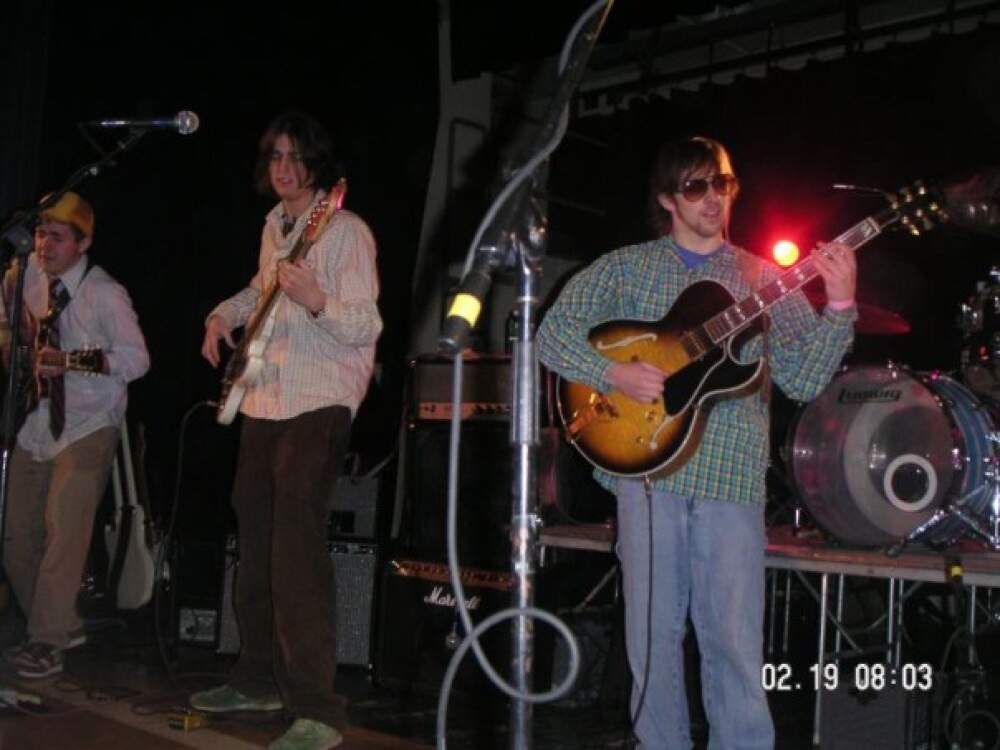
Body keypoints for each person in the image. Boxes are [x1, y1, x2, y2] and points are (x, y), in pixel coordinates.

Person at [536, 136, 857, 749]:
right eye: (696, 186)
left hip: (731, 475)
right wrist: (614, 373)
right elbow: (553, 333)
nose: (713, 197)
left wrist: (839, 305)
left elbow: (803, 379)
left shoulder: (763, 278)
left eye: (723, 184)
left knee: (734, 642)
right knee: (652, 641)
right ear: (667, 199)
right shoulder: (627, 268)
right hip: (647, 474)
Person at [191, 111, 382, 750]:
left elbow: (366, 324)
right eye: (275, 156)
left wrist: (316, 299)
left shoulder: (345, 232)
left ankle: (319, 709)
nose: (283, 168)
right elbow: (260, 290)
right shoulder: (275, 228)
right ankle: (257, 679)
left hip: (319, 400)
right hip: (264, 400)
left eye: (295, 157)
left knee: (296, 551)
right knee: (256, 547)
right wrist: (221, 315)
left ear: (317, 163)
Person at [0, 191, 150, 679]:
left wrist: (70, 361)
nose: (45, 244)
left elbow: (137, 360)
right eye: (41, 233)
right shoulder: (25, 276)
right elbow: (6, 328)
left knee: (64, 527)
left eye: (58, 237)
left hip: (89, 421)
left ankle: (45, 642)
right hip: (39, 419)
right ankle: (61, 623)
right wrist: (18, 350)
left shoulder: (104, 292)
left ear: (83, 243)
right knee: (14, 533)